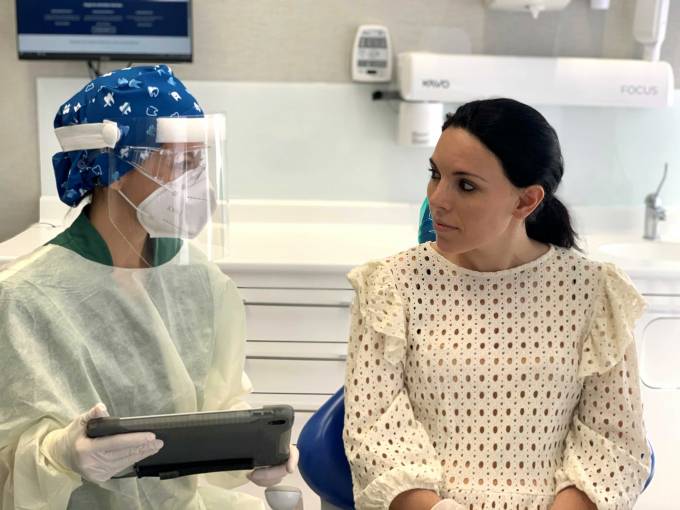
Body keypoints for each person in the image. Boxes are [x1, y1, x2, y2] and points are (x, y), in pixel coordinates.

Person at [0, 65, 296, 509]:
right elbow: (7, 463)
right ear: (114, 167)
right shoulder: (25, 296)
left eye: (199, 160)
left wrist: (252, 451)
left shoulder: (199, 281)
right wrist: (62, 455)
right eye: (179, 161)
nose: (196, 181)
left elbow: (219, 404)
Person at [343, 98, 651, 510]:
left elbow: (612, 445)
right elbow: (375, 433)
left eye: (466, 185)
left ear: (525, 201)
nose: (437, 199)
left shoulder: (595, 293)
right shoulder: (390, 287)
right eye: (435, 175)